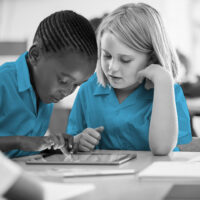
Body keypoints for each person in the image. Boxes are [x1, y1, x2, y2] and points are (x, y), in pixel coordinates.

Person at [66, 3, 192, 155]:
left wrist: (163, 80)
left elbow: (161, 149)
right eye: (106, 56)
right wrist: (78, 142)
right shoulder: (89, 89)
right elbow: (70, 143)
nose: (112, 68)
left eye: (125, 60)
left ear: (151, 59)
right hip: (102, 177)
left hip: (151, 176)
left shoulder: (169, 90)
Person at [0, 10, 97, 158]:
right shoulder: (4, 82)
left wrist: (52, 146)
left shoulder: (45, 92)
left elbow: (22, 152)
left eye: (76, 85)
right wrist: (19, 141)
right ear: (35, 55)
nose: (67, 91)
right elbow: (21, 144)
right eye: (63, 81)